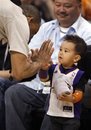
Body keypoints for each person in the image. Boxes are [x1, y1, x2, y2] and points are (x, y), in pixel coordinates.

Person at [5, 0, 91, 130]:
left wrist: (45, 63)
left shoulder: (88, 31)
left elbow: (82, 66)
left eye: (67, 6)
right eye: (57, 5)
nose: (61, 10)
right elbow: (28, 55)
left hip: (66, 89)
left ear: (79, 7)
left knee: (54, 96)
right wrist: (35, 59)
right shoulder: (46, 27)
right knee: (14, 93)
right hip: (38, 84)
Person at [0, 0, 53, 130]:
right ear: (29, 20)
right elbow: (18, 73)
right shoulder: (17, 18)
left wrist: (35, 64)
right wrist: (39, 62)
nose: (29, 37)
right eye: (32, 32)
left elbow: (18, 72)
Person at [39, 34, 88, 130]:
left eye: (66, 51)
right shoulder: (53, 68)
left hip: (70, 116)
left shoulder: (79, 74)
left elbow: (80, 92)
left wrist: (72, 98)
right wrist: (43, 69)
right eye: (60, 49)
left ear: (76, 58)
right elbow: (43, 79)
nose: (61, 53)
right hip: (53, 112)